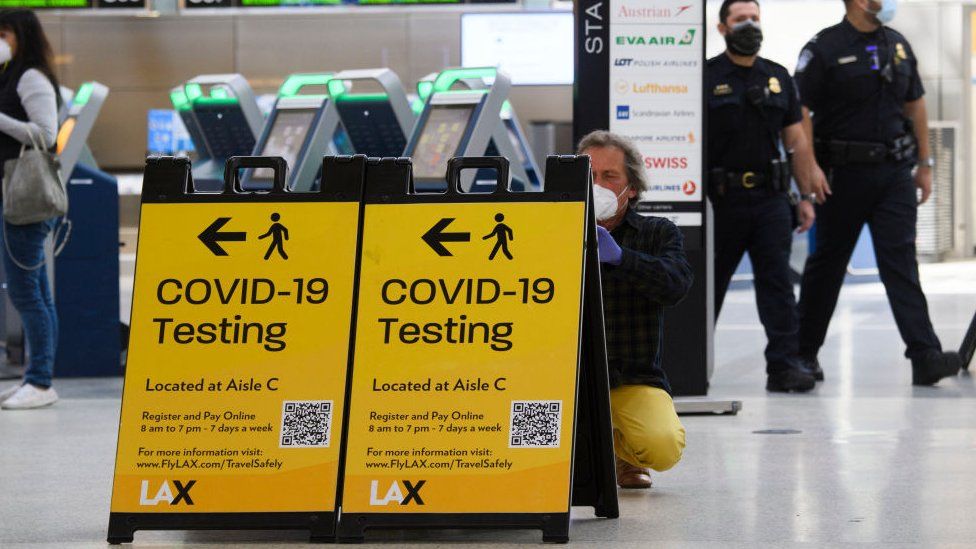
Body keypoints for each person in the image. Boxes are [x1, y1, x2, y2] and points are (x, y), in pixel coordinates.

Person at [793, 0, 961, 385]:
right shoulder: (823, 48)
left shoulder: (898, 44)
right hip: (842, 175)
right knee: (827, 265)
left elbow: (915, 103)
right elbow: (799, 111)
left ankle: (925, 355)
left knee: (901, 263)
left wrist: (925, 163)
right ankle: (803, 353)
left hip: (894, 174)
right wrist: (810, 166)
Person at [707, 0, 829, 392]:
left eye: (754, 18)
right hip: (720, 200)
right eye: (740, 19)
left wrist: (806, 195)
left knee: (777, 286)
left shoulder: (778, 77)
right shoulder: (704, 77)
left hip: (771, 199)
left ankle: (784, 366)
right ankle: (686, 363)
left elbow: (796, 140)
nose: (749, 25)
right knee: (709, 286)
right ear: (722, 27)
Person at [579, 130, 693, 489]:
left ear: (632, 188)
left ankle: (623, 454)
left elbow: (676, 284)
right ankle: (585, 459)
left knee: (663, 448)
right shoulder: (547, 231)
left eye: (609, 176)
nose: (597, 185)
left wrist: (622, 258)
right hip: (564, 377)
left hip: (629, 377)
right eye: (589, 176)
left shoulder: (657, 233)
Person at [0, 9, 62, 410]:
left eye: (3, 32)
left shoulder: (31, 77)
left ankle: (40, 381)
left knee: (27, 294)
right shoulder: (9, 74)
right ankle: (38, 378)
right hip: (13, 194)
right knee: (36, 292)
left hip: (26, 196)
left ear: (20, 35)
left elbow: (45, 134)